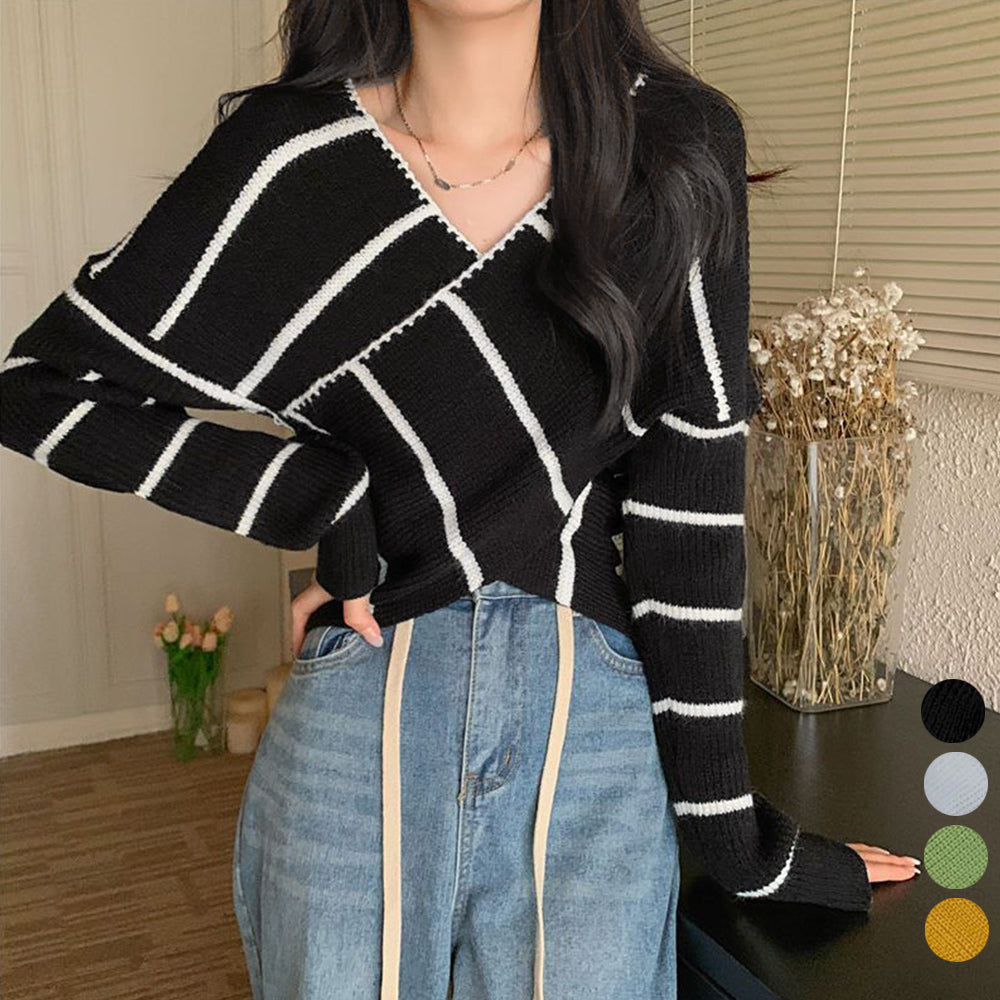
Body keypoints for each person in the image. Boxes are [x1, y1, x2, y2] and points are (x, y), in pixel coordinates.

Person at [0, 2, 920, 998]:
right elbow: (41, 392)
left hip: (594, 735)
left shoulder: (671, 146)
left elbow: (687, 509)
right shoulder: (289, 157)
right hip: (356, 718)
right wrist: (312, 495)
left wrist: (737, 839)